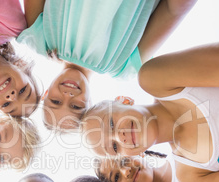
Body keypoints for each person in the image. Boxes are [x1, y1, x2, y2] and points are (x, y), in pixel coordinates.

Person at [81, 40, 219, 182]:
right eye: (114, 147)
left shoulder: (155, 78)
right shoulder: (191, 174)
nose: (119, 136)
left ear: (123, 100)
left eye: (111, 123)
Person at [18, 0, 197, 129]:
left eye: (56, 101)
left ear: (46, 94)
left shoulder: (41, 42)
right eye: (76, 106)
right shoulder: (123, 68)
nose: (68, 95)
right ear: (90, 103)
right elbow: (172, 11)